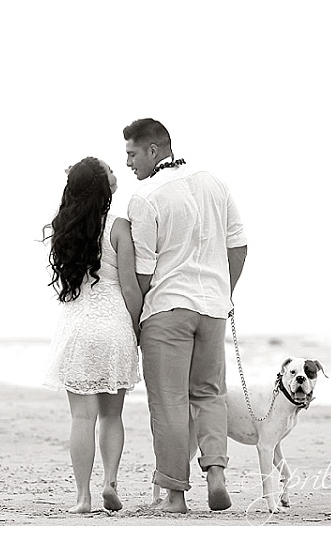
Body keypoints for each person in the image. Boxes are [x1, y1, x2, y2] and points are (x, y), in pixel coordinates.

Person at [123, 118, 247, 513]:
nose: (128, 163)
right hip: (212, 309)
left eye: (131, 154)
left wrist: (137, 320)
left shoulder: (145, 197)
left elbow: (143, 269)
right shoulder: (215, 182)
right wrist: (221, 292)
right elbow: (239, 248)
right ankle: (216, 472)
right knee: (210, 395)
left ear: (153, 150)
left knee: (169, 403)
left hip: (166, 309)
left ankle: (175, 495)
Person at [43, 156, 143, 514]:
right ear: (104, 187)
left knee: (81, 418)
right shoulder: (120, 228)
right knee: (112, 416)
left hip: (77, 327)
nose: (117, 173)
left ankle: (83, 497)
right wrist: (135, 330)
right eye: (110, 171)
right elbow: (131, 288)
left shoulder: (63, 228)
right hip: (113, 323)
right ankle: (110, 482)